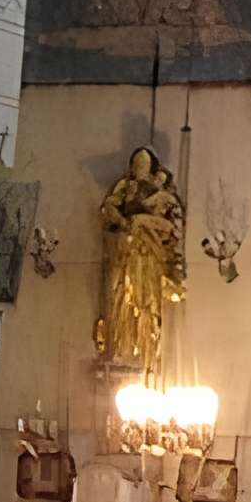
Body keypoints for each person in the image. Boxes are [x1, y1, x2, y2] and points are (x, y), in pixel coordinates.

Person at [95, 146, 185, 378]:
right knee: (124, 299)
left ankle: (149, 355)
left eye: (144, 164)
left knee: (148, 303)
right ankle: (125, 349)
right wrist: (124, 222)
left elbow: (172, 228)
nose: (140, 168)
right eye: (137, 164)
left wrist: (144, 220)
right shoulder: (125, 187)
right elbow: (108, 209)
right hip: (128, 252)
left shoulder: (162, 195)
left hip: (151, 256)